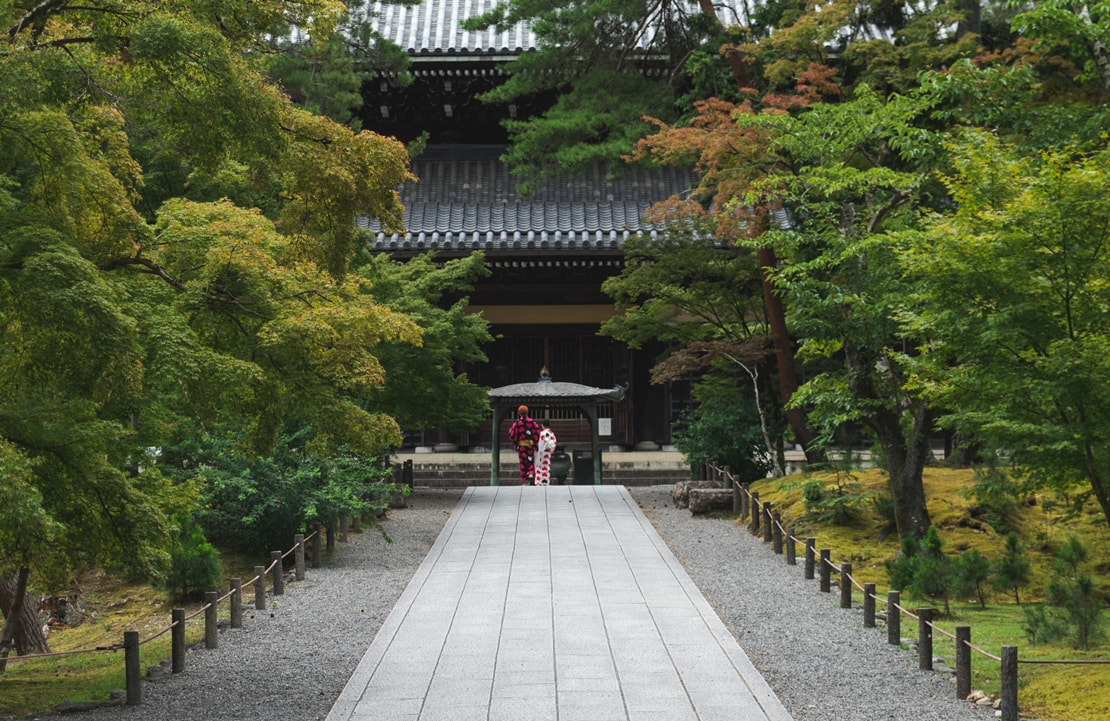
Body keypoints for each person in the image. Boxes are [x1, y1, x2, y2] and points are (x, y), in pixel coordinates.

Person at [508, 405, 541, 485]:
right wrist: (535, 443)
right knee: (530, 460)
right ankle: (530, 473)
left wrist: (516, 442)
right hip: (530, 445)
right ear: (527, 412)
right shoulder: (532, 422)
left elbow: (512, 433)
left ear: (519, 413)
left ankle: (524, 482)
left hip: (521, 446)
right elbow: (538, 432)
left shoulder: (517, 423)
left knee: (523, 462)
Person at [533, 419, 557, 486]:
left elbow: (538, 443)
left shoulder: (541, 433)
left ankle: (538, 482)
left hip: (540, 452)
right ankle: (546, 482)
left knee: (539, 467)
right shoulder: (552, 433)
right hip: (547, 452)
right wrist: (551, 450)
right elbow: (554, 443)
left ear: (542, 425)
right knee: (546, 467)